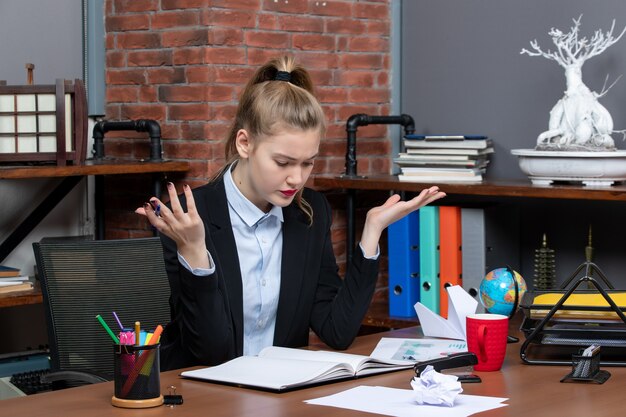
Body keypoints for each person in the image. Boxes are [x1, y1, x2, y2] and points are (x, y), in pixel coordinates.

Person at [136, 56, 446, 371]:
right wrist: (194, 253)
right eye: (283, 163)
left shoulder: (309, 214)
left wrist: (371, 233)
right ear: (245, 143)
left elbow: (336, 332)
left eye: (307, 163)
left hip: (281, 395)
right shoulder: (189, 218)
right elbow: (210, 353)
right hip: (202, 398)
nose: (296, 179)